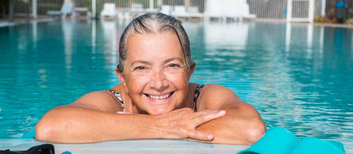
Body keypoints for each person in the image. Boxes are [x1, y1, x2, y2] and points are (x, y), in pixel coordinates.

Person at [35, 13, 266, 144]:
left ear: (190, 71)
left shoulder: (205, 96)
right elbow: (49, 127)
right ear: (122, 77)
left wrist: (127, 127)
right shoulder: (114, 101)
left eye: (172, 65)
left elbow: (251, 130)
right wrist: (161, 127)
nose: (158, 83)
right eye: (141, 68)